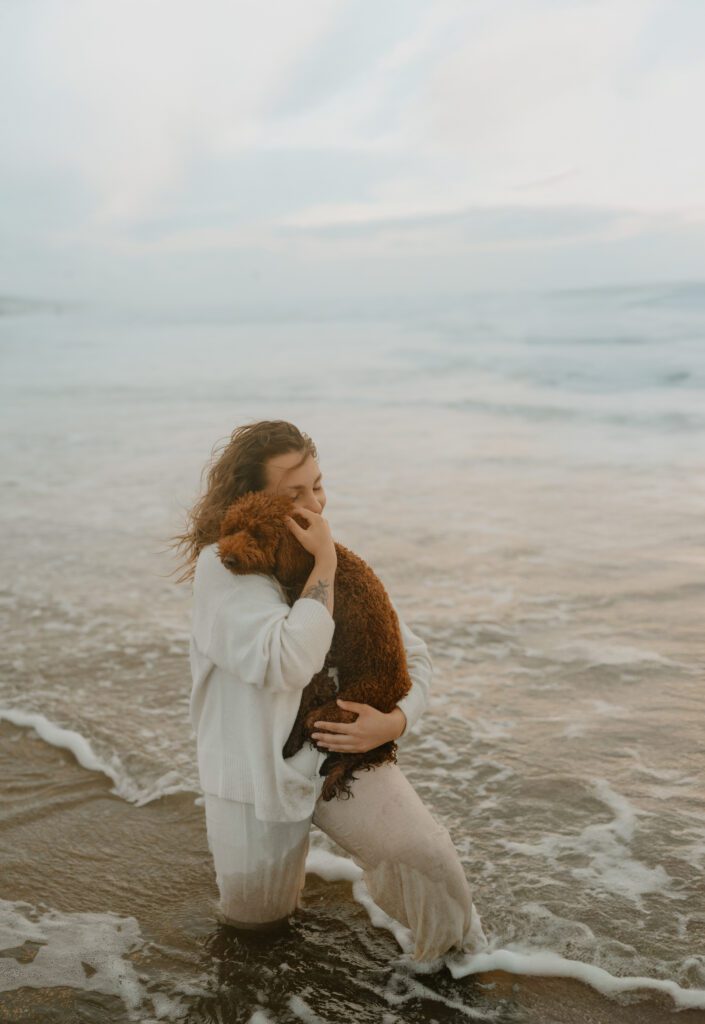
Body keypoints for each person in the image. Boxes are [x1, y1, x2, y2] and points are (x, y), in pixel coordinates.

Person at [172, 419, 487, 964]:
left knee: (428, 857)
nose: (315, 503)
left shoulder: (334, 558)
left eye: (317, 485)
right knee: (256, 938)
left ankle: (465, 973)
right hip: (255, 774)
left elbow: (413, 656)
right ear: (252, 498)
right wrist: (324, 564)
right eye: (294, 493)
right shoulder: (222, 568)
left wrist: (395, 723)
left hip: (336, 751)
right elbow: (287, 661)